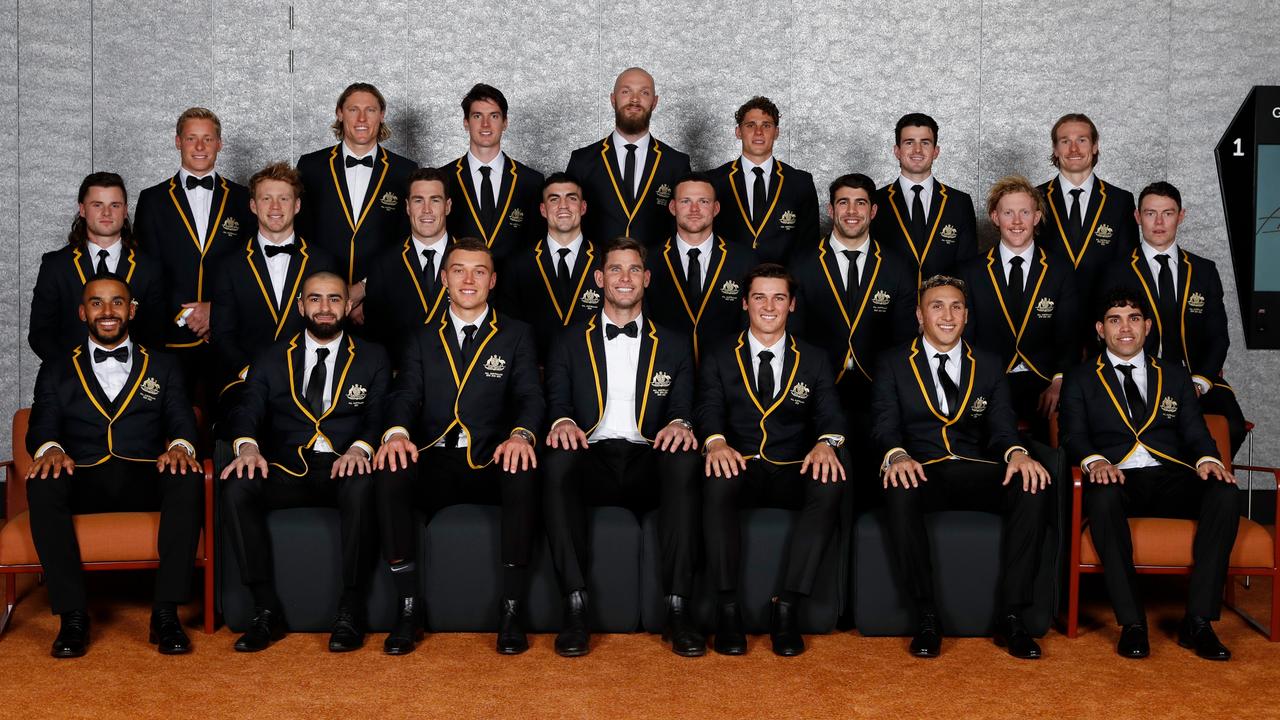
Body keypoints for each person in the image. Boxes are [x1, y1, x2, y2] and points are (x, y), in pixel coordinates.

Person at [373, 238, 543, 656]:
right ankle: (408, 607)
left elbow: (530, 397)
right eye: (459, 271)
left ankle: (511, 609)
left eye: (479, 271)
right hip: (433, 457)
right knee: (391, 469)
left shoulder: (517, 335)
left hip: (489, 457)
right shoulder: (420, 337)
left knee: (522, 470)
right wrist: (395, 433)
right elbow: (405, 395)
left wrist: (521, 435)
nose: (469, 279)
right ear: (445, 278)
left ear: (493, 280)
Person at [872, 275, 1052, 660]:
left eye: (956, 306)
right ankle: (926, 616)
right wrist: (897, 456)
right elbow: (884, 426)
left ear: (967, 315)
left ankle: (1012, 615)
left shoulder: (987, 364)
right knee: (898, 485)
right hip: (921, 470)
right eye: (937, 306)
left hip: (974, 468)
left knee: (1030, 483)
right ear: (920, 315)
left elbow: (1003, 428)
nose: (947, 315)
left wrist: (1018, 454)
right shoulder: (891, 363)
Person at [26, 276, 202, 658]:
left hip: (143, 473)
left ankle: (166, 614)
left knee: (186, 476)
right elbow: (41, 423)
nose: (107, 312)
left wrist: (180, 447)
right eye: (97, 303)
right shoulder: (57, 368)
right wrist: (51, 449)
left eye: (117, 303)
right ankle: (73, 616)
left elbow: (181, 420)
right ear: (82, 312)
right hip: (83, 475)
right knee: (42, 482)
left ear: (132, 310)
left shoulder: (164, 365)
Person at [542, 237, 703, 657]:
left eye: (634, 270)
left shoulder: (675, 342)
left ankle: (678, 608)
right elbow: (557, 401)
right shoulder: (567, 340)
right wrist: (561, 423)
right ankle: (575, 606)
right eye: (615, 269)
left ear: (647, 279)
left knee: (685, 461)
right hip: (591, 456)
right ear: (600, 278)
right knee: (557, 462)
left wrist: (680, 424)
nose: (624, 278)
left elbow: (685, 405)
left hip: (648, 457)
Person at [1059, 288, 1239, 661]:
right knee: (1103, 496)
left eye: (1134, 318)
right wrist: (1096, 462)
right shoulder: (1080, 378)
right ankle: (1133, 623)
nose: (1125, 327)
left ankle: (1199, 622)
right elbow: (1072, 435)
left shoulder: (1174, 375)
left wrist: (1209, 459)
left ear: (1147, 326)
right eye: (1114, 319)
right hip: (1117, 477)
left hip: (1169, 474)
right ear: (1100, 328)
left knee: (1223, 491)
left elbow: (1195, 432)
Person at [220, 271, 390, 653]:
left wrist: (361, 449)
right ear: (301, 306)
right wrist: (247, 448)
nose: (325, 308)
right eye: (315, 299)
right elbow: (247, 408)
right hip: (286, 468)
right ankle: (264, 608)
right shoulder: (271, 356)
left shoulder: (374, 356)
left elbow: (378, 413)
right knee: (237, 487)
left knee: (363, 484)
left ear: (348, 305)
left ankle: (351, 608)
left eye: (334, 299)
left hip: (343, 464)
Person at [697, 263, 847, 657]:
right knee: (716, 478)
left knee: (831, 480)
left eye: (778, 297)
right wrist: (715, 443)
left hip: (790, 467)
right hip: (739, 463)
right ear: (745, 303)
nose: (769, 306)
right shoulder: (718, 354)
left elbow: (831, 415)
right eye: (759, 297)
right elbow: (708, 409)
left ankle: (788, 608)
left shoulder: (814, 359)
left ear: (791, 305)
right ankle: (728, 609)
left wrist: (826, 444)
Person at [791, 173, 916, 506]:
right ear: (831, 210)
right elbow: (794, 340)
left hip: (877, 388)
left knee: (876, 471)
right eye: (843, 202)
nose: (851, 211)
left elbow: (905, 342)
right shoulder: (802, 264)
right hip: (818, 388)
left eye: (860, 203)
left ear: (872, 211)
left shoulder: (898, 265)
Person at [1101, 182, 1247, 454]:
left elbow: (1218, 337)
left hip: (1194, 379)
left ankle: (1202, 487)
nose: (1158, 222)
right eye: (1150, 213)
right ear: (1137, 217)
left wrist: (1200, 382)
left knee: (1233, 427)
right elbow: (1107, 335)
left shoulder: (1204, 270)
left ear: (1181, 216)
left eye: (1167, 213)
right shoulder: (1116, 270)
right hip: (1138, 379)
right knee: (1154, 436)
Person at [134, 107, 255, 397]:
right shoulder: (152, 200)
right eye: (191, 139)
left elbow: (250, 265)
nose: (200, 147)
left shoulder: (242, 198)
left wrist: (217, 311)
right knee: (177, 420)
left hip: (227, 335)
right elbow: (147, 267)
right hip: (171, 336)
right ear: (178, 142)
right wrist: (189, 313)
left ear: (219, 144)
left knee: (227, 420)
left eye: (208, 139)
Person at [957, 175, 1078, 437]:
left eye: (1024, 212)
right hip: (991, 378)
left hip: (1043, 379)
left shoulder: (1060, 270)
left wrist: (1059, 381)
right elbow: (966, 340)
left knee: (1065, 421)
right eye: (1008, 212)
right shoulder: (971, 272)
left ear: (1036, 217)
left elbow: (1068, 337)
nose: (1016, 221)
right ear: (994, 217)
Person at [211, 162, 336, 409]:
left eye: (284, 199)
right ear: (253, 205)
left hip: (309, 380)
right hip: (247, 382)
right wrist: (252, 374)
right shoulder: (229, 266)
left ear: (297, 205)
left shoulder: (323, 261)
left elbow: (329, 327)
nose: (275, 207)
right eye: (267, 198)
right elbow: (223, 335)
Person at [297, 82, 417, 324]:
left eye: (370, 110)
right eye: (353, 109)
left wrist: (365, 290)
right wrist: (330, 299)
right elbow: (301, 236)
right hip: (320, 306)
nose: (362, 118)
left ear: (381, 116)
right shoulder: (311, 166)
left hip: (381, 303)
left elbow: (407, 243)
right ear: (340, 113)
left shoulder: (404, 171)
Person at [30, 172, 165, 362]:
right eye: (97, 205)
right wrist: (71, 373)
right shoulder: (55, 266)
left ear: (125, 210)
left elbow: (157, 335)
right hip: (71, 384)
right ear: (83, 209)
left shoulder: (149, 267)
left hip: (132, 382)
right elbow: (40, 333)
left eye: (114, 205)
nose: (107, 213)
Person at [1037, 113, 1138, 338]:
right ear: (1055, 149)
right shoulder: (1034, 198)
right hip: (1046, 326)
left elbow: (1127, 269)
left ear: (1094, 146)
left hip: (1103, 327)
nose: (1074, 149)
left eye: (1082, 140)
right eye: (1065, 141)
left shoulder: (1120, 201)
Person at [566, 67, 691, 246]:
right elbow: (567, 224)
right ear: (612, 99)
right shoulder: (582, 161)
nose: (634, 99)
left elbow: (684, 225)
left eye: (644, 93)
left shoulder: (676, 163)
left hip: (657, 270)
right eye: (626, 91)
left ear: (654, 102)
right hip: (596, 269)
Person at [645, 173, 756, 361]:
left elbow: (750, 323)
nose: (694, 209)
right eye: (685, 201)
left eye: (703, 201)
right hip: (664, 368)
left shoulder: (744, 260)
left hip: (727, 370)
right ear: (672, 207)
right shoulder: (649, 259)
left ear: (716, 208)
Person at [497, 173, 601, 362]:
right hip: (537, 371)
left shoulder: (606, 262)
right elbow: (509, 331)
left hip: (594, 372)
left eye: (572, 198)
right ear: (543, 210)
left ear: (583, 207)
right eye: (554, 199)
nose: (563, 206)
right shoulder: (517, 265)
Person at [442, 83, 545, 269]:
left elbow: (536, 246)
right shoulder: (443, 178)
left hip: (515, 291)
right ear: (466, 122)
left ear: (505, 122)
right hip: (460, 290)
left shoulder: (531, 181)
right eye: (477, 116)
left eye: (494, 116)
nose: (485, 125)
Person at [708, 96, 819, 265]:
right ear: (738, 132)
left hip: (781, 284)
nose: (758, 132)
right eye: (750, 125)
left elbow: (808, 247)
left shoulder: (800, 182)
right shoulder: (714, 181)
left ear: (776, 132)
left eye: (766, 125)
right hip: (728, 281)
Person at [362, 167, 455, 361]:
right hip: (402, 378)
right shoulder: (383, 264)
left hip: (461, 379)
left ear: (447, 206)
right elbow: (375, 337)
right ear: (407, 206)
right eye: (418, 200)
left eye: (435, 200)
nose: (426, 210)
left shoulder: (472, 259)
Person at [871, 113, 977, 281]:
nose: (917, 150)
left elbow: (967, 268)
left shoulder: (959, 203)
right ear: (897, 151)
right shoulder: (876, 201)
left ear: (936, 151)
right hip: (891, 304)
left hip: (942, 305)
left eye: (925, 143)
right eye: (909, 142)